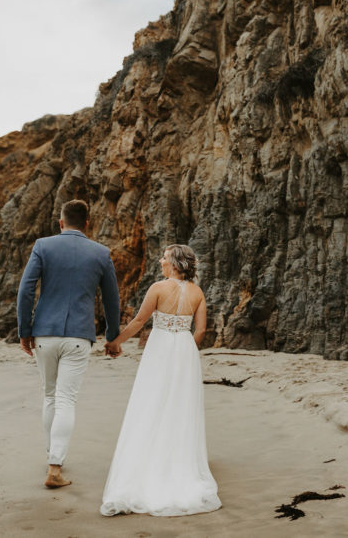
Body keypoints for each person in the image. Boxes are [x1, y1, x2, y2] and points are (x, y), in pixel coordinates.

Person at [99, 244, 221, 516]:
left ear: (175, 264)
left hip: (160, 348)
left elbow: (140, 321)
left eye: (164, 258)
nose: (161, 261)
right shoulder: (197, 292)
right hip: (185, 350)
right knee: (180, 405)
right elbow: (200, 329)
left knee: (151, 400)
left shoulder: (157, 288)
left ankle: (148, 461)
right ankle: (177, 461)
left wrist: (116, 342)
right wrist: (187, 348)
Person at [17, 199, 121, 489]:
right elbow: (112, 300)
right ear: (87, 224)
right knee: (66, 400)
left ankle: (54, 456)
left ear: (61, 223)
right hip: (78, 336)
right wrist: (112, 336)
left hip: (45, 334)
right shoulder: (101, 253)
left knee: (50, 396)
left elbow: (25, 290)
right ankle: (55, 466)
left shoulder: (43, 245)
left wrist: (24, 330)